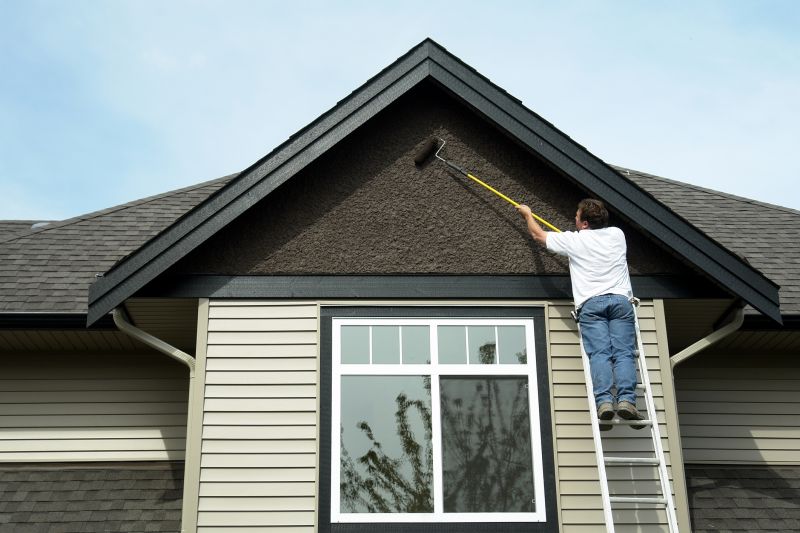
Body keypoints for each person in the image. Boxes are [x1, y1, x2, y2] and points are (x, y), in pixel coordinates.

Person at [516, 198, 644, 429]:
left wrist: (528, 214)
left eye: (576, 216)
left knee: (600, 355)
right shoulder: (617, 235)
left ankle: (604, 402)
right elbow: (588, 238)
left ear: (584, 223)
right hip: (620, 301)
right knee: (623, 354)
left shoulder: (574, 241)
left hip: (592, 306)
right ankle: (626, 400)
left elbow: (538, 235)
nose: (574, 219)